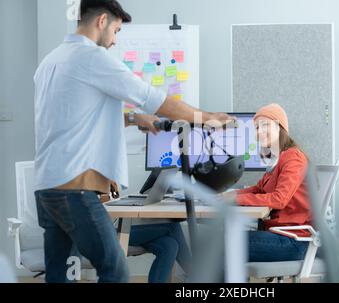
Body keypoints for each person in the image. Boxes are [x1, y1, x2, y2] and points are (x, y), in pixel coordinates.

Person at [34, 0, 233, 283]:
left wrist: (132, 119)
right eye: (115, 30)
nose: (115, 41)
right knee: (114, 270)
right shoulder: (91, 58)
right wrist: (206, 117)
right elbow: (156, 99)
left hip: (47, 188)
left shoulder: (51, 60)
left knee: (60, 273)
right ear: (101, 21)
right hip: (75, 189)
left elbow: (70, 117)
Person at [223, 103, 312, 262]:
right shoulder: (278, 159)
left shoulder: (293, 158)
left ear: (279, 127)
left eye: (265, 125)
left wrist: (236, 199)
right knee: (223, 240)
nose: (259, 131)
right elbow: (258, 189)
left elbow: (279, 199)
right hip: (279, 234)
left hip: (292, 240)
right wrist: (230, 194)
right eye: (257, 128)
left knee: (223, 244)